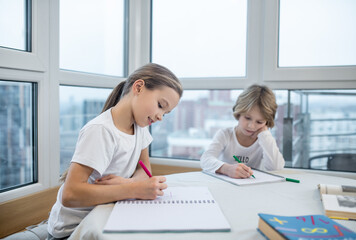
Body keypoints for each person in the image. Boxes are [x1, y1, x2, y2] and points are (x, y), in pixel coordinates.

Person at [47, 63, 183, 239]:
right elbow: (70, 194)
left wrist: (127, 184)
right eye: (160, 105)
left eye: (166, 112)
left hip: (108, 215)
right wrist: (134, 189)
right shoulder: (101, 130)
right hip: (73, 229)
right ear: (139, 87)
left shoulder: (140, 127)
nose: (160, 117)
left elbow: (145, 170)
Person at [200, 84, 284, 179]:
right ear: (239, 113)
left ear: (266, 122)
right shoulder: (225, 134)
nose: (251, 126)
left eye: (259, 122)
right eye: (247, 118)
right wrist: (227, 169)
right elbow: (205, 159)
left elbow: (276, 168)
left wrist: (265, 135)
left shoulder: (265, 139)